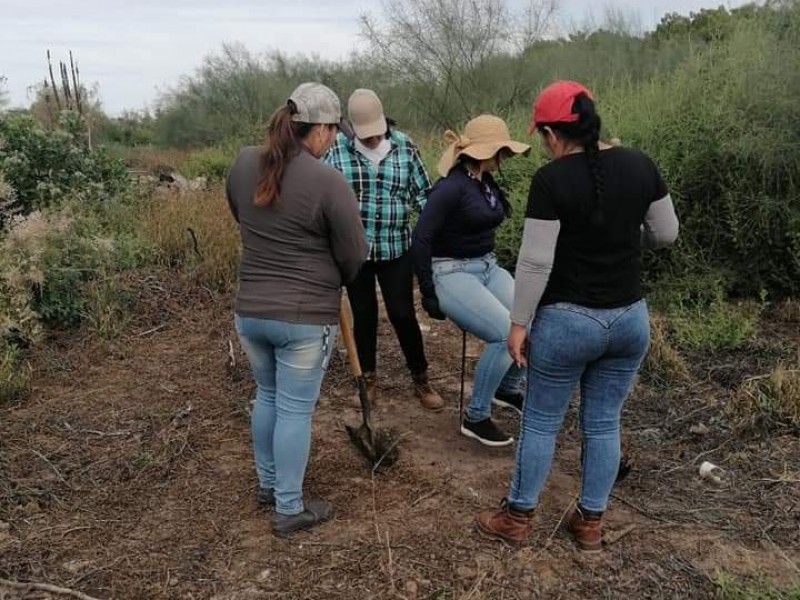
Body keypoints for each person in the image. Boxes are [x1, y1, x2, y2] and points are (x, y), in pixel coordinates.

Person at [476, 81, 679, 551]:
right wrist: (627, 241)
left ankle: (519, 516)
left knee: (543, 422)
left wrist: (519, 323)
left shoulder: (551, 182)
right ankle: (590, 523)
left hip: (568, 321)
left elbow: (534, 263)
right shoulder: (641, 164)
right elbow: (666, 233)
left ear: (550, 133)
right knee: (604, 422)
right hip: (629, 320)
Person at [226, 83, 368, 538]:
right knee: (293, 410)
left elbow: (242, 215)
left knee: (267, 396)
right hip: (304, 318)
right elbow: (355, 254)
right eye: (333, 131)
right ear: (322, 130)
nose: (335, 140)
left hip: (251, 312)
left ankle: (269, 486)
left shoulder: (245, 163)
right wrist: (335, 276)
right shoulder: (329, 182)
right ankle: (289, 508)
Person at [412, 114, 530, 447]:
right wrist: (427, 291)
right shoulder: (450, 188)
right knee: (503, 333)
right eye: (501, 150)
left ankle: (507, 388)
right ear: (482, 151)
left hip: (487, 267)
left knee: (528, 317)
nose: (505, 156)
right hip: (450, 271)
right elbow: (421, 238)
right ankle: (476, 417)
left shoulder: (484, 180)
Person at [324, 89, 444, 411]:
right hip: (356, 251)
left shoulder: (405, 147)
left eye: (377, 134)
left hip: (396, 248)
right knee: (363, 316)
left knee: (402, 314)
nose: (373, 140)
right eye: (366, 136)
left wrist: (435, 231)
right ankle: (368, 380)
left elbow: (423, 195)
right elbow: (321, 195)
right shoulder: (335, 150)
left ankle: (420, 378)